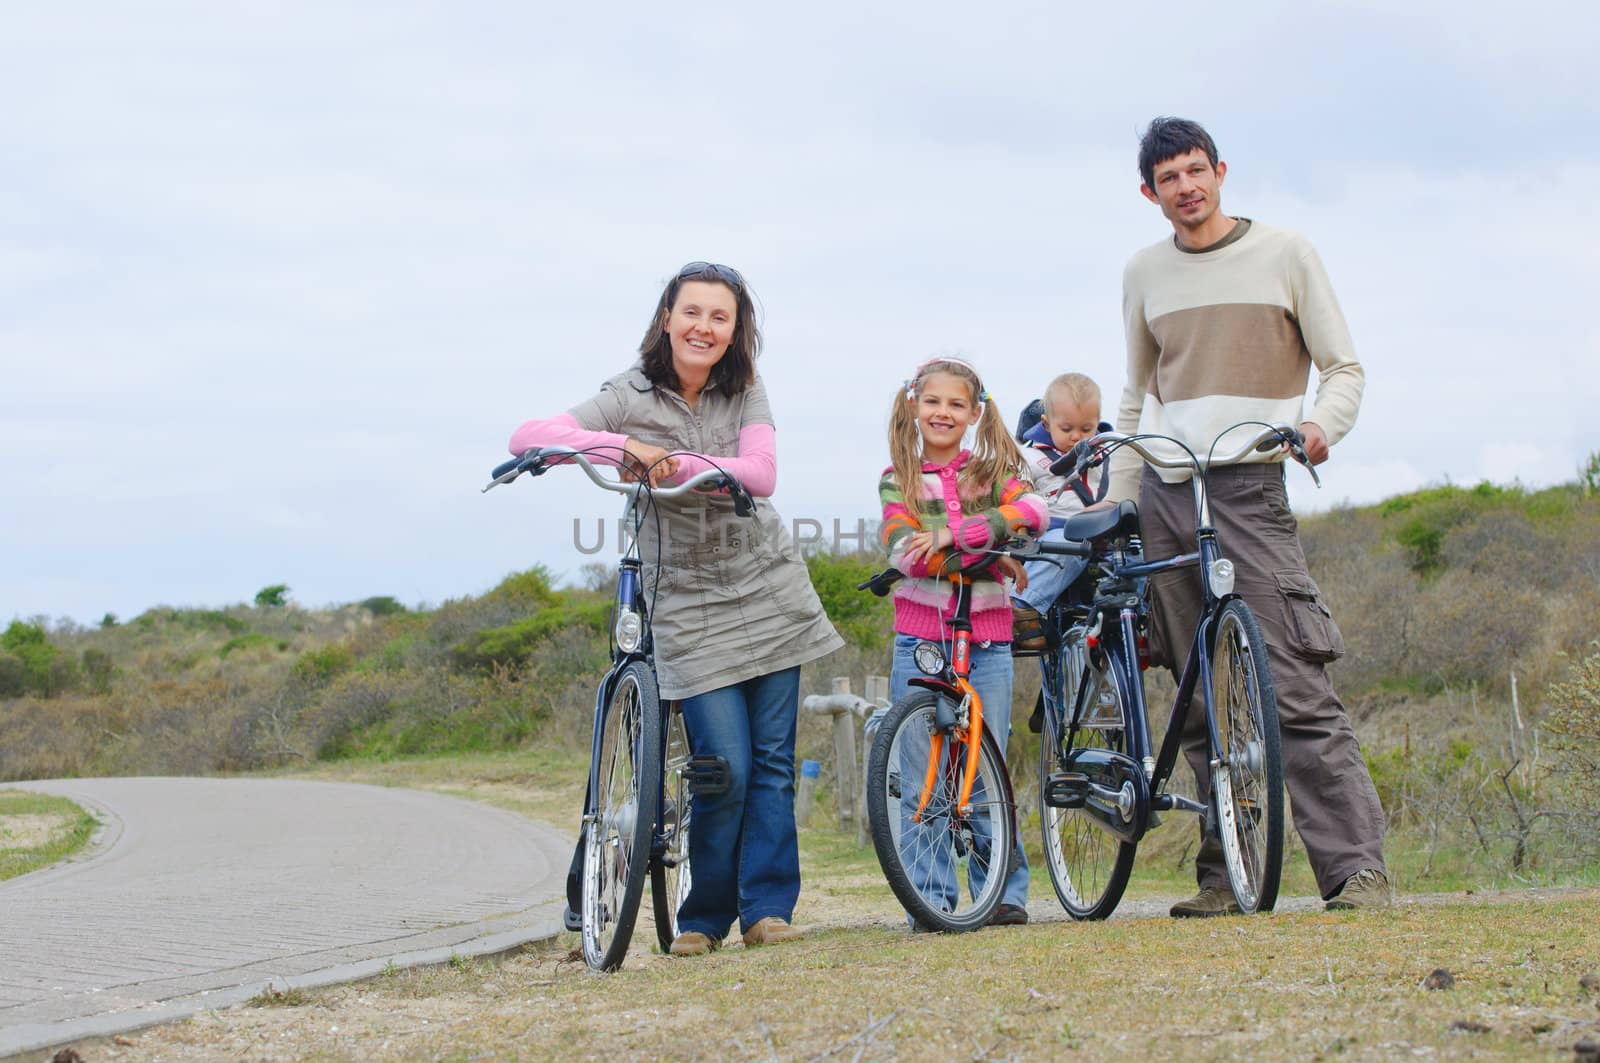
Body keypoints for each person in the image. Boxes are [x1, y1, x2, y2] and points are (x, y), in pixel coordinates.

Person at [508, 261, 844, 954]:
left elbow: (761, 472)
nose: (704, 326)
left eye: (720, 317)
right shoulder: (628, 393)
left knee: (775, 760)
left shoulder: (745, 390)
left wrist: (678, 464)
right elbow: (530, 436)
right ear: (668, 317)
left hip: (766, 582)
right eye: (693, 312)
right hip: (683, 594)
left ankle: (767, 909)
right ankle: (703, 915)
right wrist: (626, 446)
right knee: (724, 762)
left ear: (734, 330)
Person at [1110, 117, 1390, 914]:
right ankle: (1226, 872)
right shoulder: (1143, 272)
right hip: (1167, 489)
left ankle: (1355, 870)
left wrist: (1318, 428)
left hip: (1250, 485)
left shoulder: (1287, 254)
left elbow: (1344, 367)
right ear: (1150, 192)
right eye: (1169, 178)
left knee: (1291, 681)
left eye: (1196, 170)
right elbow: (1138, 391)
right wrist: (1123, 497)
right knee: (1198, 689)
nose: (1186, 187)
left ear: (1221, 172)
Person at [878, 356, 1047, 926]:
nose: (943, 412)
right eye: (932, 402)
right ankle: (929, 895)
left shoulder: (990, 471)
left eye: (956, 404)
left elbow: (1033, 508)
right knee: (923, 767)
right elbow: (904, 550)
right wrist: (993, 548)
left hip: (989, 640)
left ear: (974, 413)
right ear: (914, 405)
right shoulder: (897, 479)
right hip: (921, 640)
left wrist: (955, 534)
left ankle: (1000, 889)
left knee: (984, 766)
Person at [1010, 372, 1104, 652]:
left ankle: (1138, 615)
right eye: (1067, 429)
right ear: (1047, 424)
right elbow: (1016, 497)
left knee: (1139, 553)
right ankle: (1022, 605)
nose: (1077, 437)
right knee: (1072, 545)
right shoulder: (1030, 458)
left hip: (1102, 531)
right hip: (1055, 534)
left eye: (1086, 429)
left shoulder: (1108, 454)